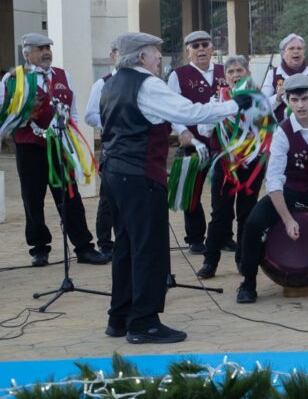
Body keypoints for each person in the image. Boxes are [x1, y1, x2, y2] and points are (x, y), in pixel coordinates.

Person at [100, 32, 244, 344]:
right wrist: (233, 106)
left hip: (114, 173)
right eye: (154, 53)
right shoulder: (147, 84)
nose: (158, 59)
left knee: (125, 245)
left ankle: (119, 316)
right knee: (148, 248)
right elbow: (190, 113)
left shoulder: (110, 82)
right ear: (141, 57)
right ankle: (144, 322)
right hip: (139, 175)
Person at [237, 75, 308, 303]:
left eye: (304, 98)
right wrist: (287, 219)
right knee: (252, 224)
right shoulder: (282, 131)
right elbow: (273, 180)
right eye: (294, 100)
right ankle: (248, 284)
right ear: (288, 102)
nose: (300, 105)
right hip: (289, 192)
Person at [0, 33, 109, 267]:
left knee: (70, 197)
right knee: (33, 199)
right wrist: (22, 117)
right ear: (26, 53)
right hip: (30, 147)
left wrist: (73, 137)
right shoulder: (14, 79)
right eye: (40, 48)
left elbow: (73, 111)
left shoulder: (62, 75)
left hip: (60, 146)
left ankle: (83, 247)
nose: (46, 51)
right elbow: (4, 115)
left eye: (48, 47)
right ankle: (39, 248)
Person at [195, 56, 267, 279]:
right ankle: (210, 261)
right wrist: (220, 110)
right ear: (225, 77)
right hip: (225, 165)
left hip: (251, 164)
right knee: (220, 214)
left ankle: (243, 260)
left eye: (240, 70)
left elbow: (267, 128)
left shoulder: (259, 99)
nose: (236, 75)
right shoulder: (218, 99)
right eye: (231, 72)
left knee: (247, 214)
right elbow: (204, 130)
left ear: (248, 73)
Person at [166, 31, 223, 254]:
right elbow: (172, 110)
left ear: (212, 48)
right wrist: (183, 133)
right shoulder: (178, 75)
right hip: (192, 142)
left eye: (205, 45)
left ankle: (223, 235)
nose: (201, 49)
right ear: (188, 51)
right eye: (195, 46)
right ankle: (196, 238)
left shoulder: (222, 72)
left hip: (221, 144)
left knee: (223, 191)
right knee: (192, 192)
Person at [84, 44, 119, 256]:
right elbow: (90, 115)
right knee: (108, 198)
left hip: (136, 150)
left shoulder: (143, 82)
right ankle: (105, 243)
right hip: (111, 148)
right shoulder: (103, 83)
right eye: (120, 52)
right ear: (112, 55)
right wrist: (111, 124)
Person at [260, 33, 308, 119]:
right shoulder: (272, 74)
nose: (296, 51)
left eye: (299, 48)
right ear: (283, 54)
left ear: (304, 53)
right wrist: (277, 98)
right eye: (291, 48)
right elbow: (261, 106)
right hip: (280, 128)